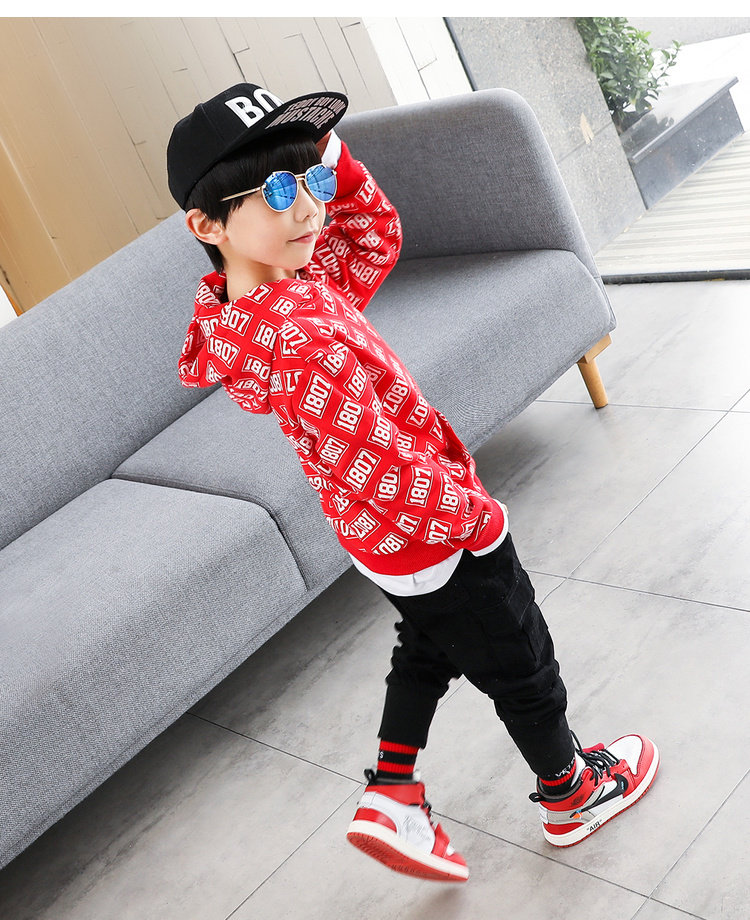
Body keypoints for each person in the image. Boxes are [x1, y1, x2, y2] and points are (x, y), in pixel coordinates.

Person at [166, 83, 659, 884]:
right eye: (279, 191)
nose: (309, 209)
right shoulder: (297, 337)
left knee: (430, 642)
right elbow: (386, 466)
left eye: (311, 181)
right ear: (207, 225)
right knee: (520, 659)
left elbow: (374, 235)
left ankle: (394, 789)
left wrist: (331, 159)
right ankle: (569, 792)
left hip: (383, 540)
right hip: (428, 527)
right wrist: (475, 520)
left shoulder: (270, 296)